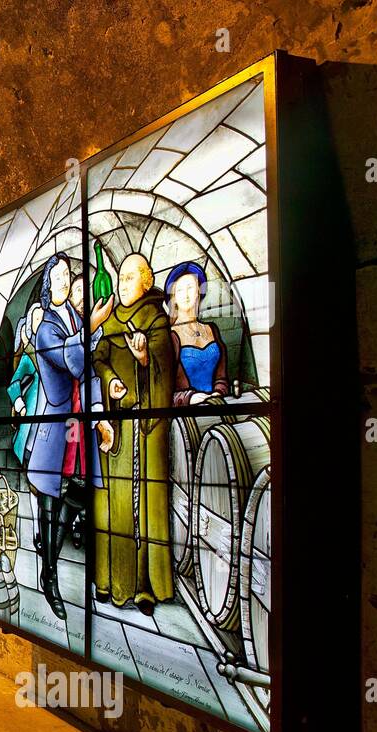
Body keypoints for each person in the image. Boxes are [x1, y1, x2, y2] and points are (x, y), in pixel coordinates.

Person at [26, 254, 112, 619]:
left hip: (79, 424)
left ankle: (51, 568)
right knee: (49, 497)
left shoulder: (75, 319)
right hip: (57, 425)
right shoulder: (47, 326)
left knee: (71, 498)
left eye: (66, 275)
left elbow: (89, 372)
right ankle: (49, 578)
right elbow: (73, 361)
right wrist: (91, 328)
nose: (62, 281)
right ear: (48, 284)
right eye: (56, 276)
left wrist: (98, 414)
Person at [92, 252, 174, 614]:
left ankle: (144, 587)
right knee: (118, 504)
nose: (123, 284)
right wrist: (110, 383)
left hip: (147, 427)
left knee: (144, 503)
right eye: (120, 278)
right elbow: (98, 358)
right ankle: (114, 583)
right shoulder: (111, 322)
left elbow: (163, 369)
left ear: (145, 281)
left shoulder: (156, 318)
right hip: (119, 427)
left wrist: (144, 360)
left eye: (130, 278)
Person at [165, 261, 229, 406]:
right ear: (173, 297)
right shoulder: (170, 337)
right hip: (187, 417)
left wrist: (218, 393)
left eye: (190, 287)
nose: (185, 294)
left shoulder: (212, 330)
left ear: (199, 291)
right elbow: (162, 389)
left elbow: (222, 378)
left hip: (215, 405)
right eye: (180, 290)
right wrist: (188, 398)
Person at [6, 303, 44, 466]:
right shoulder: (29, 353)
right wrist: (20, 404)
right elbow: (14, 383)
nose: (41, 322)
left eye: (44, 318)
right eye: (37, 319)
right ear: (30, 325)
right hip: (34, 410)